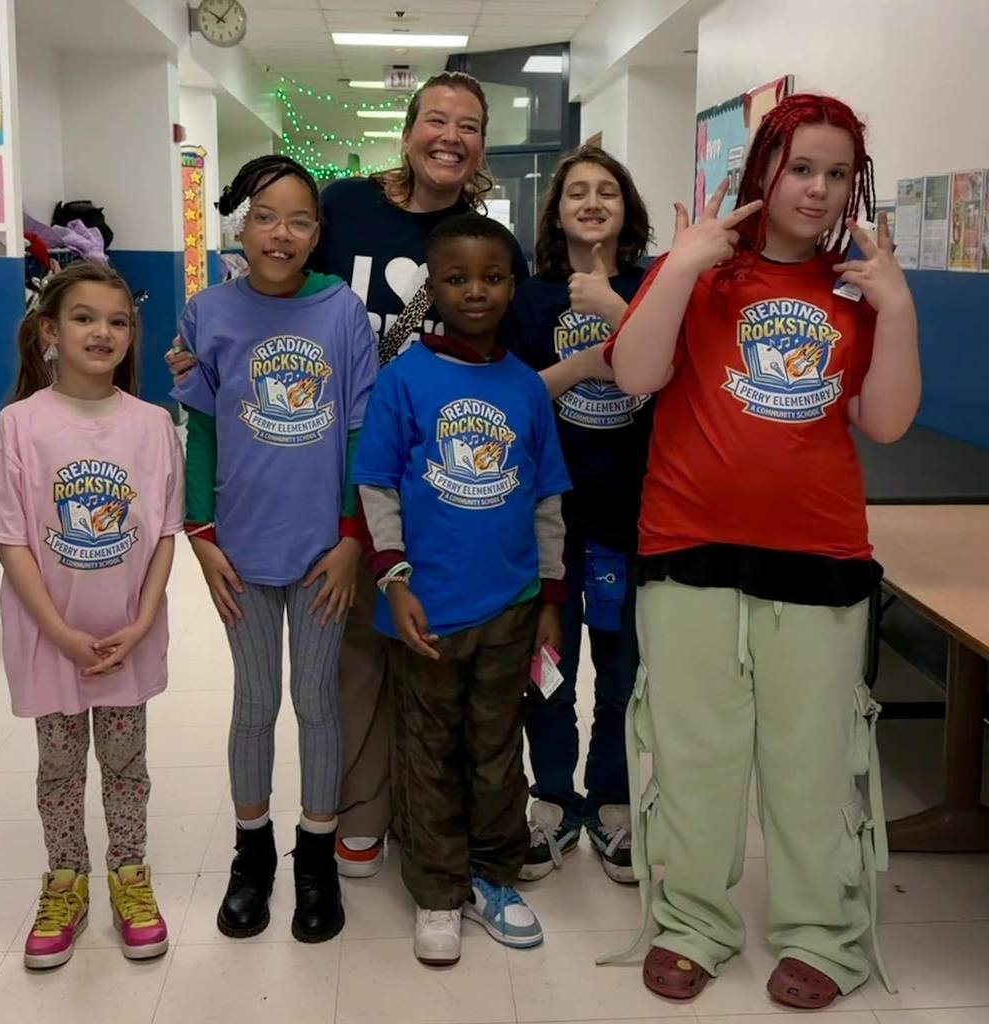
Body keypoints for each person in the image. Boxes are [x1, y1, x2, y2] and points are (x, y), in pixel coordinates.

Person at [166, 73, 528, 878]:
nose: (449, 135)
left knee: (432, 646)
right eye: (435, 118)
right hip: (324, 481)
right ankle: (353, 818)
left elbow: (518, 349)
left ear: (481, 145)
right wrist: (197, 366)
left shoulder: (484, 238)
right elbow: (262, 307)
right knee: (353, 661)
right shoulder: (348, 208)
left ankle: (435, 817)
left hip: (440, 477)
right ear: (407, 130)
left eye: (468, 125)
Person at [604, 94, 920, 1008]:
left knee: (812, 761)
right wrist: (681, 267)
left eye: (835, 173)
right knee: (696, 753)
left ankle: (821, 931)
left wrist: (895, 304)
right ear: (762, 172)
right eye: (800, 168)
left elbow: (887, 420)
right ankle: (693, 922)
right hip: (688, 548)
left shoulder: (858, 290)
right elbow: (635, 377)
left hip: (818, 556)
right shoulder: (699, 270)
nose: (816, 190)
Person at [353, 213, 571, 966]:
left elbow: (547, 500)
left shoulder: (525, 388)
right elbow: (376, 488)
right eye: (455, 278)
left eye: (490, 277)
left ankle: (492, 876)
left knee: (494, 749)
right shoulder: (403, 380)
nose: (474, 291)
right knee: (426, 751)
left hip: (510, 607)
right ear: (431, 287)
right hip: (426, 611)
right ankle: (439, 891)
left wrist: (547, 601)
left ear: (512, 286)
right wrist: (396, 580)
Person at [171, 155, 377, 943]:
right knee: (255, 705)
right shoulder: (206, 312)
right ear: (242, 225)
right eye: (265, 217)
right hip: (241, 549)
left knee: (318, 702)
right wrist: (201, 536)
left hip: (324, 549)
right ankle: (251, 854)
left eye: (298, 219)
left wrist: (354, 538)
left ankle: (315, 855)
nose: (280, 234)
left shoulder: (342, 314)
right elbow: (203, 432)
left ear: (317, 233)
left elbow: (361, 432)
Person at [0, 262, 184, 969]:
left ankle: (129, 872)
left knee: (127, 765)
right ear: (49, 331)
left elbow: (161, 540)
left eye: (118, 321)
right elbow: (10, 539)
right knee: (59, 769)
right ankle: (65, 878)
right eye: (85, 318)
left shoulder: (153, 425)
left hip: (126, 637)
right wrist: (57, 632)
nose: (103, 332)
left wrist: (145, 619)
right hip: (50, 639)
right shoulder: (18, 427)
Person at [502, 145, 653, 885]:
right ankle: (554, 797)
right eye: (577, 193)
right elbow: (519, 403)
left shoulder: (655, 286)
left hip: (633, 514)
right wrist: (589, 363)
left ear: (626, 211)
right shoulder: (531, 300)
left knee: (621, 670)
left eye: (607, 192)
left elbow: (671, 381)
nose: (592, 203)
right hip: (553, 518)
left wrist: (622, 317)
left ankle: (614, 800)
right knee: (550, 669)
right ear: (556, 213)